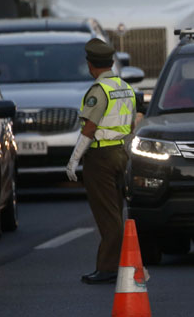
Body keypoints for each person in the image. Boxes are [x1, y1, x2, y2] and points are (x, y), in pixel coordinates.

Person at [65, 38, 136, 285]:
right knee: (116, 211)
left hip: (101, 158)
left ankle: (108, 268)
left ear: (90, 64)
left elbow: (89, 128)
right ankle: (118, 264)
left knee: (107, 216)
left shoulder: (99, 91)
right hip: (120, 154)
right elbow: (131, 126)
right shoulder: (125, 88)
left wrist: (73, 160)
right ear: (111, 62)